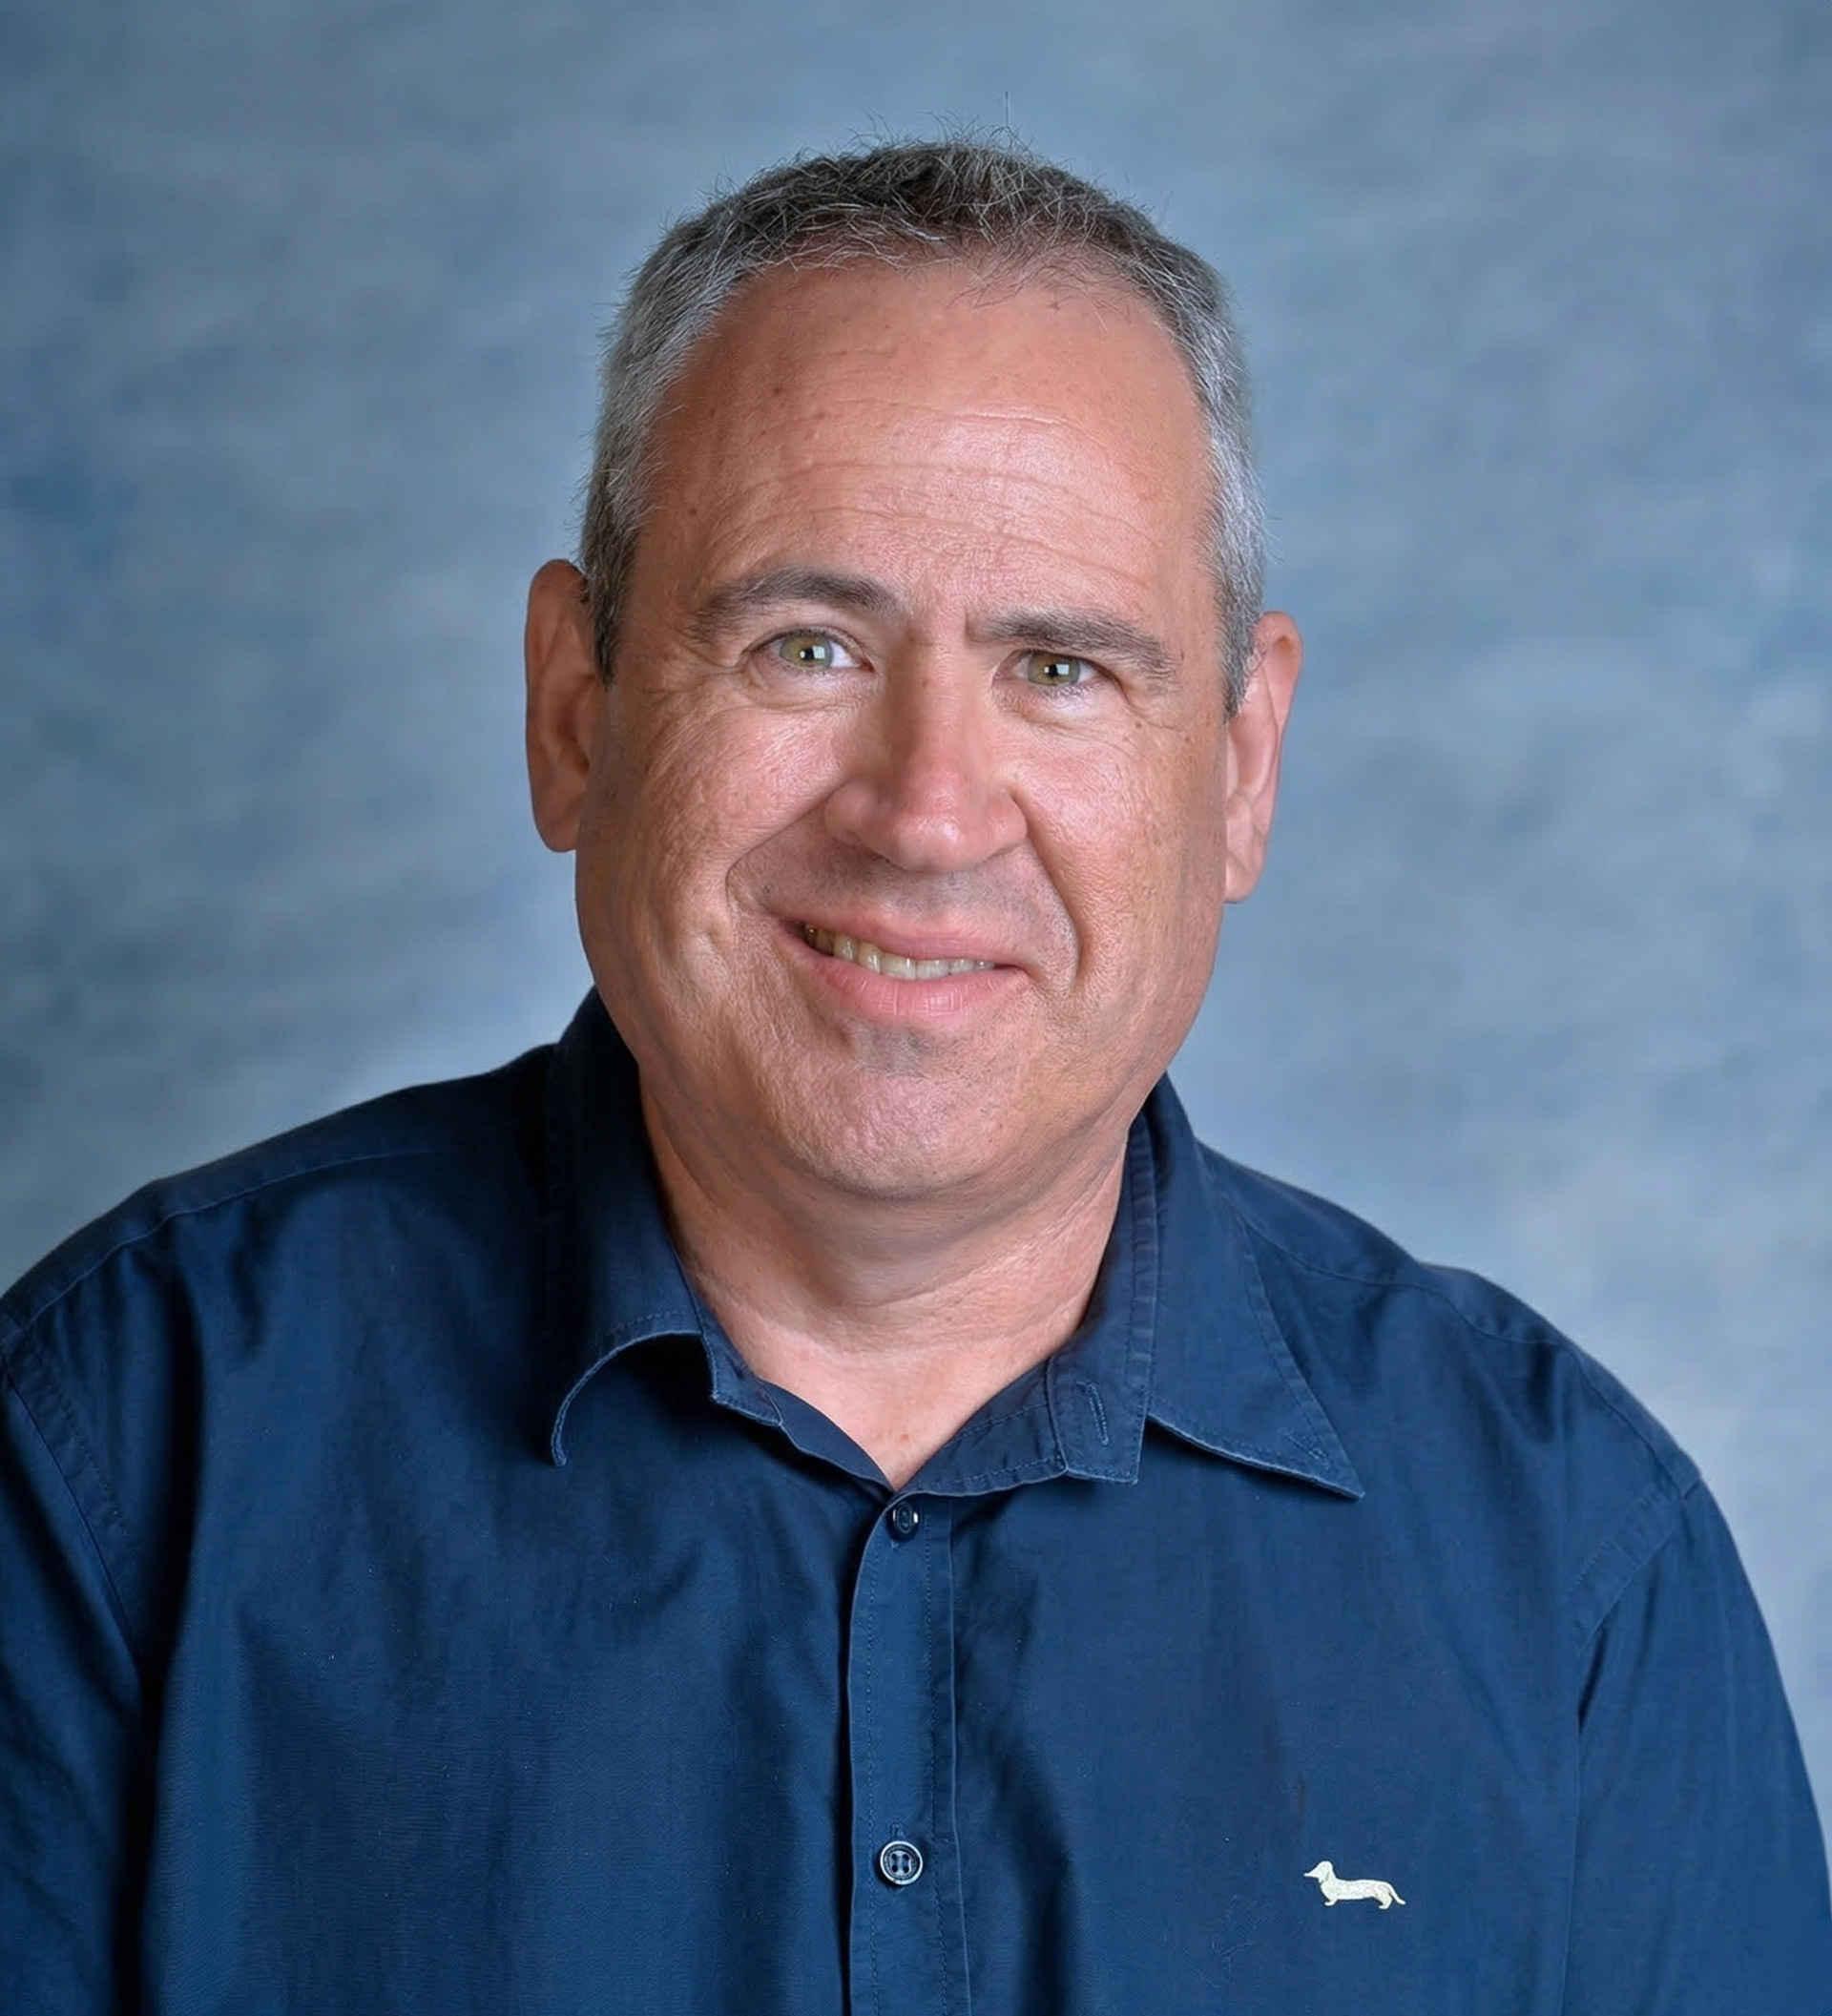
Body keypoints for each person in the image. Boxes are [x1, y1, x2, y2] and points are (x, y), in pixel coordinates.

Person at [2, 138, 1826, 2014]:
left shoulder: (1571, 1560)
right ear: (577, 709)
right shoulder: (116, 1462)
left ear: (1244, 762)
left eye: (1059, 667)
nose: (927, 813)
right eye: (806, 644)